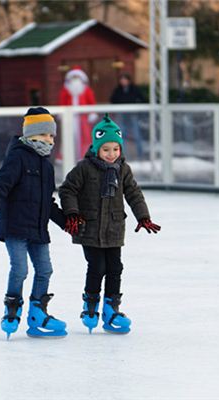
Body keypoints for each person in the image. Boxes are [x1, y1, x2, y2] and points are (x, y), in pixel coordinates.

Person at [58, 114, 161, 335]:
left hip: (114, 227)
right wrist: (73, 213)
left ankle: (111, 308)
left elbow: (134, 193)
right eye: (106, 149)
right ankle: (91, 305)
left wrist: (143, 216)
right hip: (90, 227)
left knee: (115, 268)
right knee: (97, 267)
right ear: (96, 148)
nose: (111, 154)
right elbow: (67, 190)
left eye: (116, 149)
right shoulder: (84, 168)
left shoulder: (123, 169)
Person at [0, 107, 67, 339]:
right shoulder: (17, 157)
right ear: (31, 135)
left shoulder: (47, 167)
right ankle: (12, 308)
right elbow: (2, 184)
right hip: (16, 227)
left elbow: (48, 202)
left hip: (38, 228)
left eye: (52, 136)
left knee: (45, 270)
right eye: (46, 135)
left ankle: (37, 313)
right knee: (20, 269)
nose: (50, 140)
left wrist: (66, 223)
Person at [58, 67, 98, 159]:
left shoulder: (87, 90)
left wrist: (92, 113)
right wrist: (61, 113)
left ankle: (85, 155)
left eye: (77, 77)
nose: (76, 80)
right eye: (74, 77)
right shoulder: (65, 90)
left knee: (84, 136)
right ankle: (66, 156)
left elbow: (91, 102)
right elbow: (62, 102)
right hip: (69, 117)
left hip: (82, 116)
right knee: (68, 135)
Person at [109, 74, 146, 159]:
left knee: (137, 134)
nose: (123, 81)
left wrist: (137, 107)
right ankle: (122, 154)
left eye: (124, 79)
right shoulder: (118, 90)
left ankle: (140, 153)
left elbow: (142, 99)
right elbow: (112, 100)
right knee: (121, 134)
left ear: (128, 80)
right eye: (121, 80)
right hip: (121, 115)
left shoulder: (134, 89)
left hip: (132, 115)